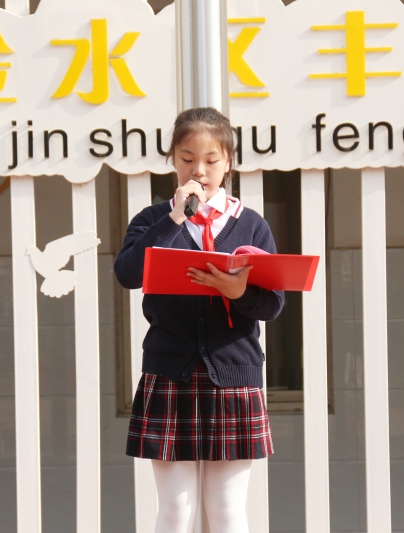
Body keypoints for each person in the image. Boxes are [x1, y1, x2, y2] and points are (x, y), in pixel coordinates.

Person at [114, 107, 284, 533]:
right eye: (188, 158)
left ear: (228, 163)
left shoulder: (250, 224)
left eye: (211, 160)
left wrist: (239, 292)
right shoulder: (152, 220)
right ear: (173, 159)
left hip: (234, 372)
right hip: (170, 371)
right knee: (175, 509)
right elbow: (128, 274)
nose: (199, 171)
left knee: (227, 509)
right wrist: (175, 217)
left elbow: (273, 305)